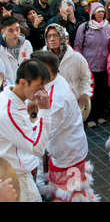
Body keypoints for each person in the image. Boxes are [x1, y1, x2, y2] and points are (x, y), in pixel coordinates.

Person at [29, 51, 100, 202]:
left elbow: (46, 132)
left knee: (68, 193)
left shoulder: (56, 98)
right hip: (71, 147)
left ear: (47, 71)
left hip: (67, 153)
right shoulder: (56, 80)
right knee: (72, 189)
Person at [0, 59, 51, 202]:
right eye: (38, 86)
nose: (43, 91)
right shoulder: (8, 112)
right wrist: (45, 111)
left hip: (19, 173)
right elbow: (37, 148)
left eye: (44, 85)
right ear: (22, 83)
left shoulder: (15, 98)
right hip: (17, 179)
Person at [74, 2, 110, 127]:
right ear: (93, 13)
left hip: (103, 65)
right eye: (98, 12)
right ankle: (89, 117)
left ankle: (99, 115)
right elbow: (78, 45)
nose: (101, 14)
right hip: (89, 66)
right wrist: (79, 63)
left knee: (101, 92)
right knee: (90, 92)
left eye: (102, 11)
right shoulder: (84, 27)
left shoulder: (108, 27)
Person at [43, 23, 93, 105]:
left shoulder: (76, 57)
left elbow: (86, 78)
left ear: (62, 37)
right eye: (49, 36)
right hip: (51, 103)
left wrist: (85, 98)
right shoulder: (42, 59)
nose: (52, 39)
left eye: (55, 35)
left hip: (73, 101)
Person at [0, 16, 33, 87]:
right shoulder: (1, 49)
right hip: (7, 89)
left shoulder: (26, 44)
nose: (15, 33)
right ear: (3, 31)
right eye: (10, 31)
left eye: (17, 29)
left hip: (26, 86)